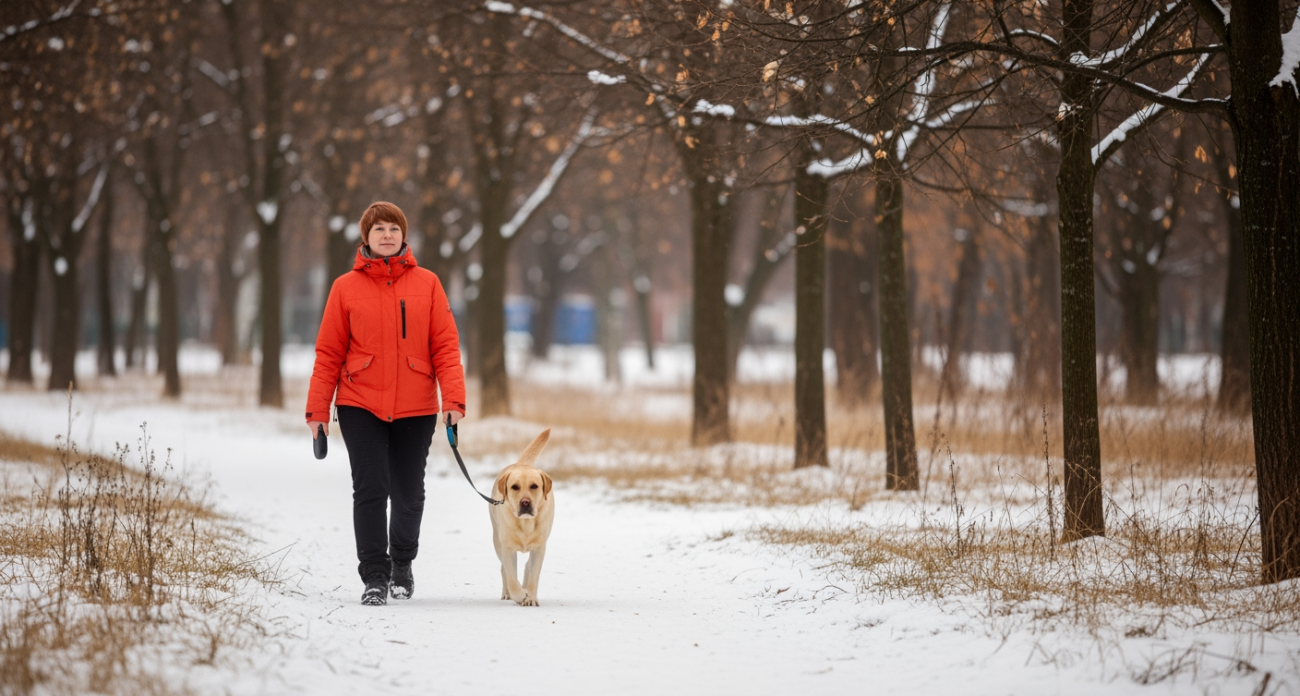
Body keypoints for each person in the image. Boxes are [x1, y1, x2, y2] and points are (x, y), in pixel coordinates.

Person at [305, 201, 466, 606]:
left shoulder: (428, 283)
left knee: (409, 493)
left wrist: (454, 400)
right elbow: (328, 353)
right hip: (361, 403)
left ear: (403, 235)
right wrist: (318, 412)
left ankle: (402, 564)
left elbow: (445, 346)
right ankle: (374, 575)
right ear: (366, 237)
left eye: (394, 228)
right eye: (379, 229)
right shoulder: (345, 287)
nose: (388, 235)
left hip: (416, 405)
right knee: (371, 489)